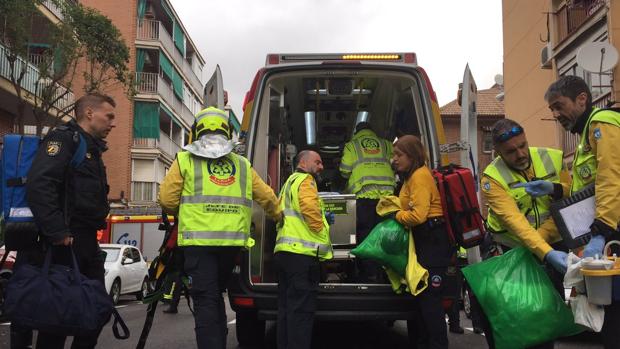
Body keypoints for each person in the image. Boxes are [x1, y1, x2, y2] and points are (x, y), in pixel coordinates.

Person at [158, 107, 281, 349]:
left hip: (198, 245)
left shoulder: (185, 160)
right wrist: (280, 218)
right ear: (227, 131)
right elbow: (268, 198)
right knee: (215, 297)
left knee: (206, 300)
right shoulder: (242, 165)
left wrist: (188, 215)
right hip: (231, 246)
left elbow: (167, 200)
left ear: (196, 131)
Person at [15, 93, 116, 349]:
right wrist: (57, 231)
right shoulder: (64, 139)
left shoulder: (90, 147)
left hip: (85, 242)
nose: (113, 123)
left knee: (94, 312)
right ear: (89, 113)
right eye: (109, 116)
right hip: (63, 243)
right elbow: (40, 184)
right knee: (57, 320)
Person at [479, 118, 571, 349]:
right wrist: (546, 252)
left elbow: (572, 199)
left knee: (546, 326)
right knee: (514, 327)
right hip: (513, 255)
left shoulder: (553, 157)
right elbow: (516, 223)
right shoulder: (492, 178)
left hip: (548, 249)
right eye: (511, 151)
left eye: (523, 145)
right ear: (497, 152)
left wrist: (556, 189)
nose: (520, 154)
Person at [544, 75, 620, 349]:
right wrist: (554, 189)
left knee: (615, 320)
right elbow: (586, 190)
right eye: (551, 109)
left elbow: (611, 179)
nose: (555, 114)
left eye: (558, 105)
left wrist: (601, 231)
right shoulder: (586, 136)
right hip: (609, 231)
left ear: (582, 99)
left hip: (612, 233)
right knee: (610, 315)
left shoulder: (602, 124)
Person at [392, 135, 451, 349]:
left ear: (413, 156)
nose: (394, 159)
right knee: (422, 302)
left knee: (430, 304)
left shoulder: (419, 177)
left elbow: (418, 216)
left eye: (399, 155)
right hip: (425, 241)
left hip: (432, 241)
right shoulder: (411, 177)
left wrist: (395, 215)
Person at [275, 150, 333, 349]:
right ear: (303, 162)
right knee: (301, 314)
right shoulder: (306, 180)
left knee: (286, 311)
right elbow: (309, 208)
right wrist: (321, 228)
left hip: (285, 253)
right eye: (317, 162)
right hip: (301, 255)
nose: (321, 167)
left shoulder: (289, 182)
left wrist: (323, 216)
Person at [339, 122, 395, 283]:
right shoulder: (386, 144)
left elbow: (344, 170)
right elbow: (396, 163)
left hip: (364, 198)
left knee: (366, 236)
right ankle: (387, 275)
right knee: (386, 236)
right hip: (387, 199)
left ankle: (369, 275)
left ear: (356, 132)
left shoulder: (352, 146)